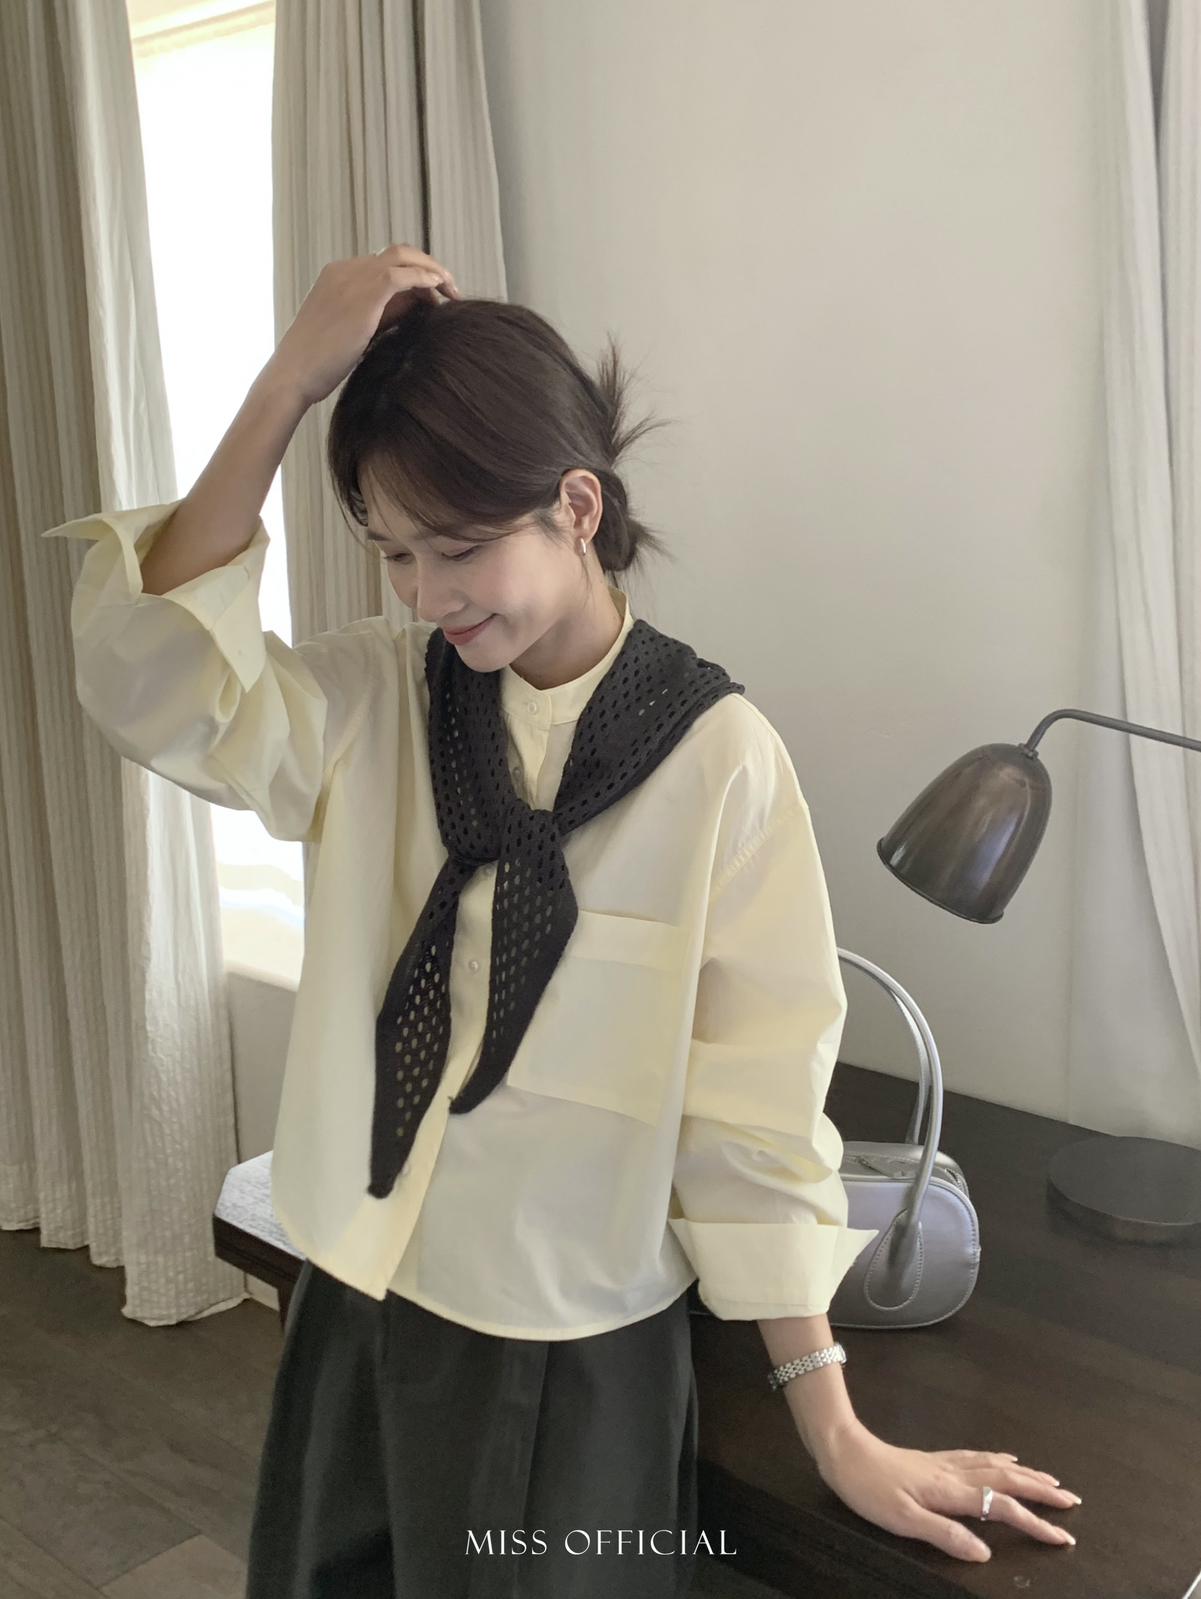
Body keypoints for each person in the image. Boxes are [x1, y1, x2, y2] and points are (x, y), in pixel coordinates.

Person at [42, 244, 1080, 1596]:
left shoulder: (717, 760)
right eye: (393, 553)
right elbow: (160, 680)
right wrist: (289, 382)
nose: (426, 593)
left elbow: (753, 1110)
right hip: (359, 1304)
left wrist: (836, 1429)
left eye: (458, 547)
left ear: (575, 507)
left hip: (571, 1351)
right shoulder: (376, 701)